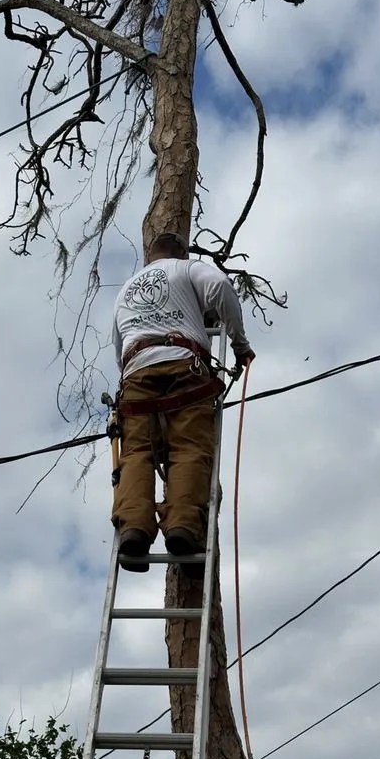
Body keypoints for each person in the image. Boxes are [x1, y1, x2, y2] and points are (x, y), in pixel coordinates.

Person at [111, 231, 255, 574]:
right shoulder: (186, 269)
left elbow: (118, 346)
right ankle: (182, 528)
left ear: (150, 256)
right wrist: (239, 343)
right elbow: (220, 289)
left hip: (135, 372)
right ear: (181, 252)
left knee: (137, 455)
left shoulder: (125, 291)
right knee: (188, 447)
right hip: (183, 365)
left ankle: (134, 529)